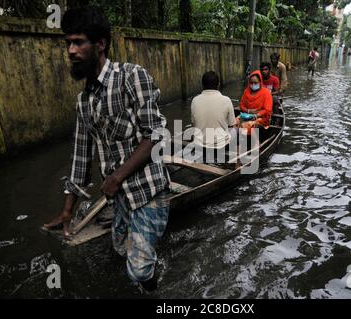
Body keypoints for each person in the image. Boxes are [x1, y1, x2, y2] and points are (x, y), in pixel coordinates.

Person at [43, 6, 170, 292]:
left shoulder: (131, 77)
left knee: (137, 271)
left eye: (78, 42)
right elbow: (80, 158)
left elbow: (157, 133)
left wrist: (116, 177)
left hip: (148, 191)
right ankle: (144, 257)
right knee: (118, 247)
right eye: (67, 43)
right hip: (119, 197)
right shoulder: (83, 102)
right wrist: (67, 211)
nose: (71, 51)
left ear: (100, 44)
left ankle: (152, 285)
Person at [190, 71, 236, 163]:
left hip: (200, 144)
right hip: (220, 145)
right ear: (218, 85)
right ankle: (235, 159)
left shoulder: (195, 100)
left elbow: (193, 124)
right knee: (236, 131)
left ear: (202, 85)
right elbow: (232, 125)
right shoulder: (226, 100)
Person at [237, 70, 273, 136]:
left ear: (260, 82)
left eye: (255, 83)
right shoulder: (246, 91)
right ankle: (234, 143)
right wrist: (248, 111)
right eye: (251, 83)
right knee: (235, 121)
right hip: (247, 115)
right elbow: (242, 105)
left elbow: (267, 110)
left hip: (262, 118)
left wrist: (256, 115)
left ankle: (249, 143)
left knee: (247, 125)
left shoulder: (266, 93)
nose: (253, 85)